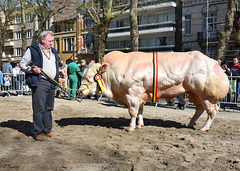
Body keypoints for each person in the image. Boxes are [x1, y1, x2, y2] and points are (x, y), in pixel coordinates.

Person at [20, 31, 59, 141]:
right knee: (39, 108)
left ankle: (48, 130)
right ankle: (38, 132)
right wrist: (32, 70)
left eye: (52, 41)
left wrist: (57, 73)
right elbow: (22, 64)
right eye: (49, 41)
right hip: (40, 82)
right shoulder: (32, 49)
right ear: (42, 40)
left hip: (52, 82)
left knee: (48, 107)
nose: (51, 43)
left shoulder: (53, 51)